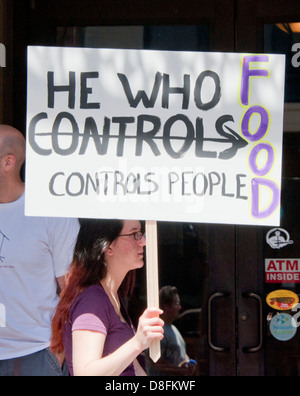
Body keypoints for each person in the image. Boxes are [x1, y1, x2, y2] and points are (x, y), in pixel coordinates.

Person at [0, 125, 80, 376]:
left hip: (36, 353)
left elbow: (72, 288)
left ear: (8, 162)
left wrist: (58, 351)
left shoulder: (49, 211)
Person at [50, 218, 164, 376]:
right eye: (134, 234)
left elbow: (133, 368)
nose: (143, 241)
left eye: (141, 233)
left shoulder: (112, 296)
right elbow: (85, 373)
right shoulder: (92, 301)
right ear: (108, 245)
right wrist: (138, 343)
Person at [147, 285, 196, 376]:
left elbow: (182, 355)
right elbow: (155, 361)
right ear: (166, 307)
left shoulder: (174, 330)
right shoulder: (156, 329)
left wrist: (188, 363)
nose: (180, 307)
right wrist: (179, 370)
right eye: (176, 303)